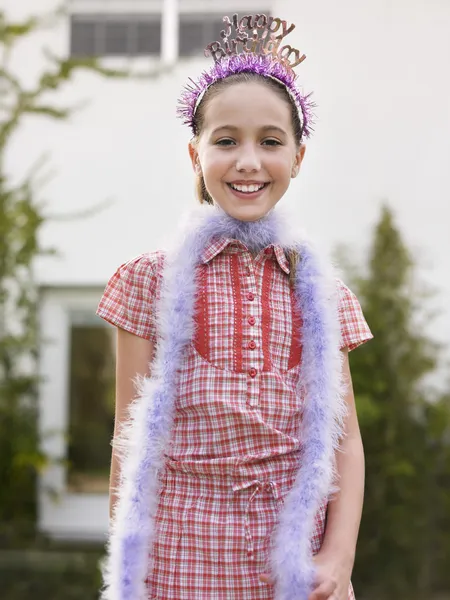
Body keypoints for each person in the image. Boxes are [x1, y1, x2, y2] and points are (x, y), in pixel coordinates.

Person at [96, 13, 372, 600]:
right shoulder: (152, 281)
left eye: (270, 141)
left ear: (298, 156)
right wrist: (128, 576)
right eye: (226, 141)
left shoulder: (319, 290)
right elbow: (131, 437)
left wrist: (339, 558)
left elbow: (344, 441)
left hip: (294, 568)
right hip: (182, 564)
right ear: (195, 154)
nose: (248, 161)